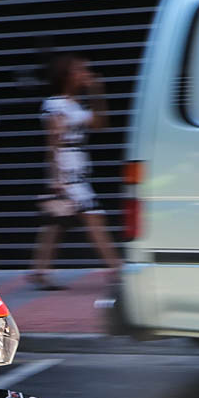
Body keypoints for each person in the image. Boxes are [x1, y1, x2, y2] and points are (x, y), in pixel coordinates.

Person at [28, 54, 121, 290]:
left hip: (78, 170)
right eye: (80, 70)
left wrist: (97, 93)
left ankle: (39, 270)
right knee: (94, 218)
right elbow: (53, 142)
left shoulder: (76, 105)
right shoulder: (55, 105)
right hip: (67, 173)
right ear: (67, 75)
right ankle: (116, 269)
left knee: (57, 224)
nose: (85, 74)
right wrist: (56, 179)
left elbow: (101, 123)